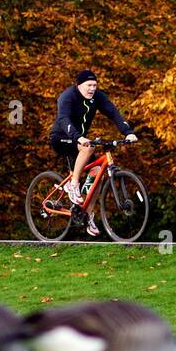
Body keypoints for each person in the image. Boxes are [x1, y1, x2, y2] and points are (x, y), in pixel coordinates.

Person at [48, 70, 138, 236]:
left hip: (79, 140)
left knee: (97, 173)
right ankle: (73, 184)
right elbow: (63, 119)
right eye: (89, 85)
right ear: (79, 85)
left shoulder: (98, 97)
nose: (92, 89)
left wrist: (127, 132)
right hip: (61, 138)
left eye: (95, 85)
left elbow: (113, 113)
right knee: (89, 147)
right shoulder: (68, 96)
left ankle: (87, 215)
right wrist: (78, 138)